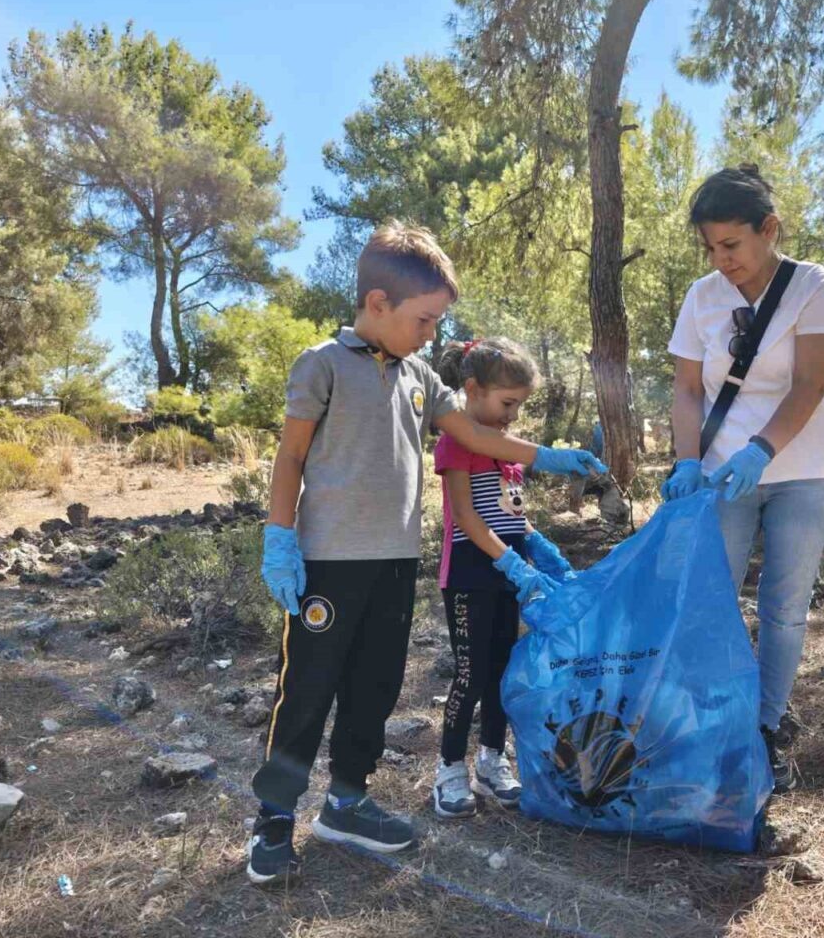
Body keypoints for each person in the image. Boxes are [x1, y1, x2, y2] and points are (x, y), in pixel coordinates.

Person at [246, 221, 606, 885]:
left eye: (438, 322)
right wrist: (280, 537)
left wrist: (547, 456)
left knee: (374, 688)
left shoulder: (419, 377)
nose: (432, 335)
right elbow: (291, 455)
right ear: (378, 304)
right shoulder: (320, 364)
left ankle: (347, 800)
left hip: (392, 568)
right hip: (326, 565)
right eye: (424, 319)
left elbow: (472, 432)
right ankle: (273, 816)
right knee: (306, 691)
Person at [662, 163, 824, 793]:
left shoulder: (811, 286)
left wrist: (761, 451)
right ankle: (716, 717)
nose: (721, 259)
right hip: (722, 478)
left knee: (783, 604)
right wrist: (688, 460)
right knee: (712, 598)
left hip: (806, 471)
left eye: (732, 244)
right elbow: (688, 390)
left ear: (768, 229)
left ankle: (766, 724)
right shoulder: (702, 297)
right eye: (711, 247)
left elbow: (809, 384)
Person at [431, 338, 577, 818]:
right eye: (507, 403)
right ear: (472, 389)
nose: (513, 415)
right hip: (472, 575)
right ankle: (449, 769)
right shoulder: (458, 441)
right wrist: (509, 562)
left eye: (519, 405)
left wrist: (539, 548)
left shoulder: (508, 453)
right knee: (471, 676)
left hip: (507, 576)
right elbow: (468, 518)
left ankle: (492, 763)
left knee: (502, 672)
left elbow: (513, 514)